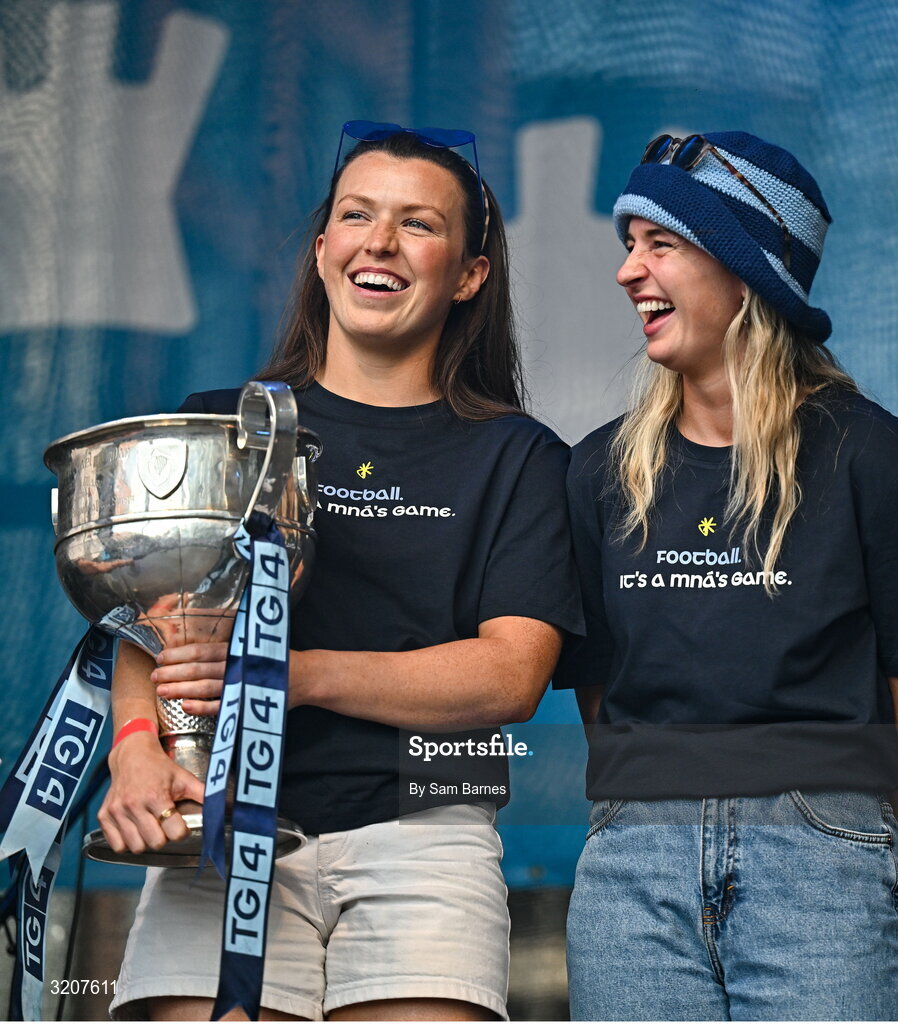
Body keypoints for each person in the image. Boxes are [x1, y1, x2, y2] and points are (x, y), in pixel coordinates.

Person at [98, 123, 583, 1021]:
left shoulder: (517, 456)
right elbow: (147, 619)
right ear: (324, 250)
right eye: (357, 215)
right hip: (225, 824)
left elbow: (511, 675)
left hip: (426, 837)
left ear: (470, 274)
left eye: (419, 224)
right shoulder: (219, 425)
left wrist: (298, 676)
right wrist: (137, 753)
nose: (381, 243)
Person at [555, 131, 898, 1021]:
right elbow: (595, 685)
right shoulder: (598, 472)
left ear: (747, 274)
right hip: (632, 862)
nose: (629, 273)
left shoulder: (871, 455)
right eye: (628, 246)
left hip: (828, 852)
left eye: (660, 244)